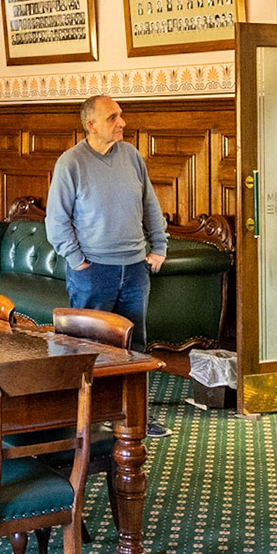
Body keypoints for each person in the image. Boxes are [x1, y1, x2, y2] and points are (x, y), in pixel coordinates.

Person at [46, 94, 169, 434]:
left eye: (121, 116)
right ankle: (83, 416)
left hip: (134, 268)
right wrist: (77, 260)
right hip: (92, 270)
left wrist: (158, 246)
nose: (122, 123)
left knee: (135, 346)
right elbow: (56, 221)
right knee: (84, 347)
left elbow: (150, 206)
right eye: (113, 117)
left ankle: (135, 414)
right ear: (91, 125)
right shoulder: (71, 163)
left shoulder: (131, 156)